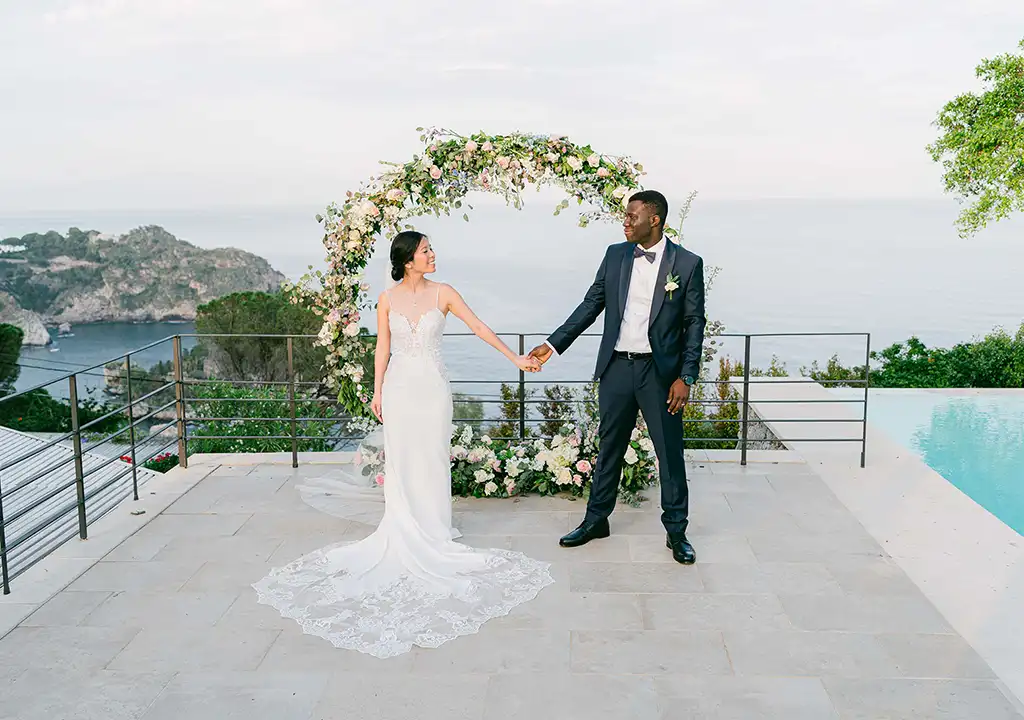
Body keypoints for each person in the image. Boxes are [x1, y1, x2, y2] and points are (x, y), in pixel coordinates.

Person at [252, 230, 554, 658]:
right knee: (403, 462)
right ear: (408, 259)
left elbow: (479, 327)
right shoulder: (387, 298)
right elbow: (382, 349)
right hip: (397, 389)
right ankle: (404, 526)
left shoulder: (444, 292)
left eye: (431, 249)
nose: (433, 255)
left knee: (431, 458)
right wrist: (376, 391)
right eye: (426, 250)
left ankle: (433, 528)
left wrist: (516, 359)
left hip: (432, 388)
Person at [530, 190, 706, 564]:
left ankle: (677, 533)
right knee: (609, 448)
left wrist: (686, 377)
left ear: (654, 219)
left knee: (669, 455)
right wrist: (553, 344)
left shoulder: (687, 264)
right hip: (617, 368)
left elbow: (694, 325)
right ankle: (596, 521)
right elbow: (591, 304)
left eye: (632, 216)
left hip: (660, 375)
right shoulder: (615, 256)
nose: (625, 222)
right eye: (626, 216)